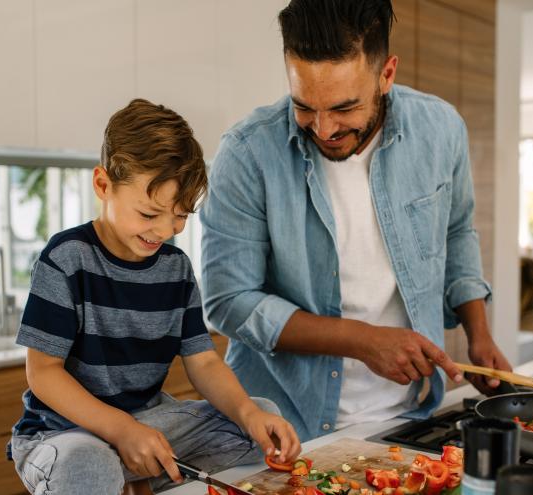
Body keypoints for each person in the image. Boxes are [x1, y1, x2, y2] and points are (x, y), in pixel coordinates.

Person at [200, 0, 512, 441]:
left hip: (410, 416)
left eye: (344, 108)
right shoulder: (247, 153)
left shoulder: (441, 130)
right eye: (304, 106)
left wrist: (478, 331)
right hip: (282, 427)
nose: (323, 129)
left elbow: (457, 229)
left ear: (387, 74)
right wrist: (363, 340)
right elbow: (228, 301)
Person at [8, 98, 300, 495]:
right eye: (149, 214)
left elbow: (203, 362)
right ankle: (125, 472)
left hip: (146, 422)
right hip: (63, 434)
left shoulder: (176, 269)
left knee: (261, 419)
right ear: (103, 185)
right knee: (90, 465)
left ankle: (134, 470)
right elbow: (42, 373)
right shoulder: (66, 258)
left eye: (180, 215)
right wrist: (122, 430)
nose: (164, 230)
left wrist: (247, 412)